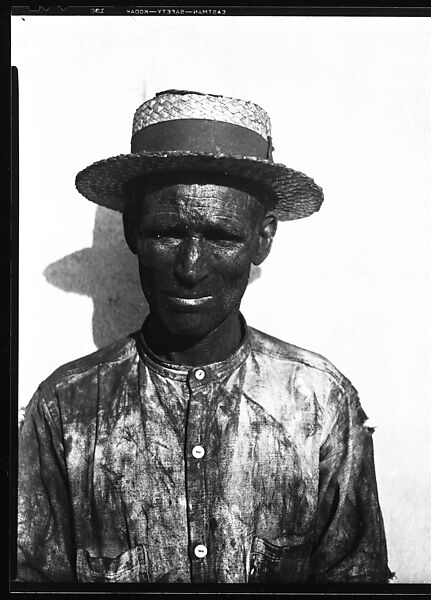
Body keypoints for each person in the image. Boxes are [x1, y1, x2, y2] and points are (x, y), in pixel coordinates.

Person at [17, 90, 392, 584]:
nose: (191, 268)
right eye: (168, 232)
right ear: (132, 231)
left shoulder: (320, 402)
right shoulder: (65, 407)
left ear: (263, 238)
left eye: (221, 237)